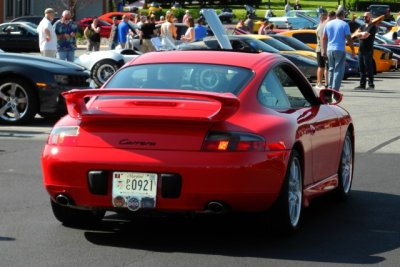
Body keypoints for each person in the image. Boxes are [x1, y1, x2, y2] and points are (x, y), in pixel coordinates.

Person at [322, 8, 356, 91]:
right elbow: (348, 38)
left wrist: (324, 50)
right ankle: (335, 89)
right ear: (343, 15)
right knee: (338, 69)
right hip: (339, 49)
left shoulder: (328, 24)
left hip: (330, 49)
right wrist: (353, 49)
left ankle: (330, 87)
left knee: (331, 68)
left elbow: (324, 38)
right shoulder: (344, 24)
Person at [352, 12, 377, 90]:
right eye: (363, 17)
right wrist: (361, 34)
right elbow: (354, 35)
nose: (364, 18)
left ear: (370, 17)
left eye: (366, 17)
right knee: (361, 67)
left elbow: (365, 36)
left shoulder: (372, 26)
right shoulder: (362, 26)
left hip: (368, 50)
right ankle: (362, 85)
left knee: (368, 67)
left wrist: (359, 35)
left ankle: (371, 85)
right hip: (361, 50)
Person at [315, 9, 329, 90]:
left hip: (321, 48)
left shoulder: (321, 25)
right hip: (320, 48)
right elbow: (322, 38)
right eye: (325, 15)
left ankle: (322, 82)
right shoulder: (321, 26)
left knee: (323, 67)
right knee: (321, 67)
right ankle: (319, 82)